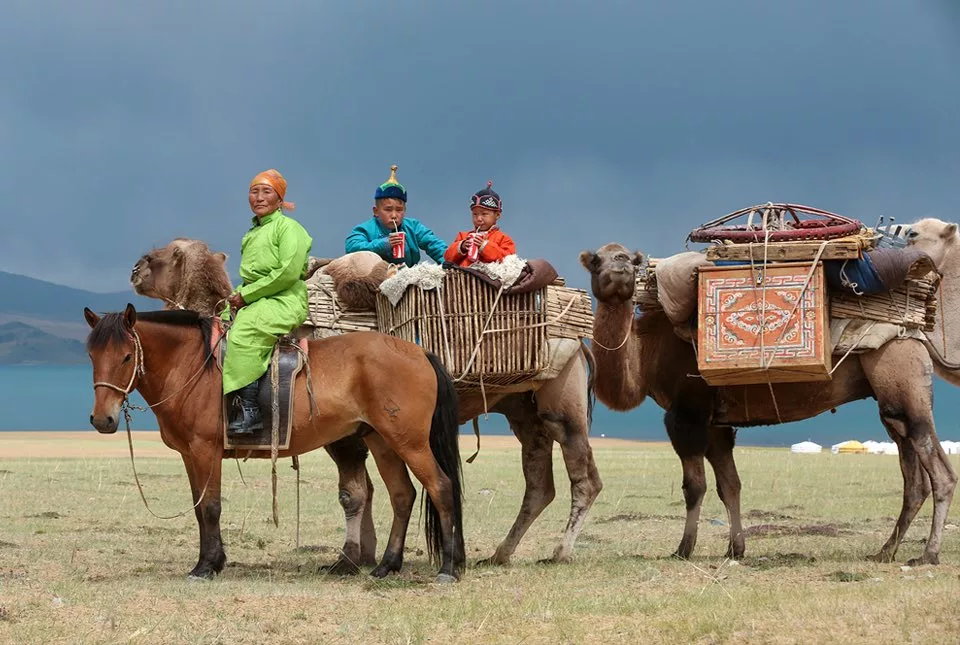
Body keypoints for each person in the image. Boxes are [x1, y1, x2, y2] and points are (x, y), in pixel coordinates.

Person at [222, 169, 313, 436]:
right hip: (258, 295)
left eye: (266, 191)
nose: (259, 197)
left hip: (284, 298)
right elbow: (251, 277)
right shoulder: (251, 234)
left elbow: (286, 272)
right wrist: (234, 300)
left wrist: (247, 297)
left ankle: (250, 410)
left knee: (245, 330)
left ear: (279, 198)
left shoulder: (290, 229)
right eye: (254, 191)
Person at [345, 165, 447, 267]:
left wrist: (449, 260)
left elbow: (433, 244)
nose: (394, 215)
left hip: (408, 275)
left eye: (399, 210)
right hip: (375, 278)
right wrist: (384, 244)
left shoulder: (413, 226)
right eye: (388, 210)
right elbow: (352, 247)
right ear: (376, 211)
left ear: (405, 210)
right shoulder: (365, 229)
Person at [443, 181, 516, 266]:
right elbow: (447, 257)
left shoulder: (503, 239)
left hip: (488, 278)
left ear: (497, 215)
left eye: (484, 214)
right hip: (464, 278)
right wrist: (461, 246)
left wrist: (484, 246)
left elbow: (509, 261)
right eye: (475, 214)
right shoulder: (463, 236)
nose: (478, 218)